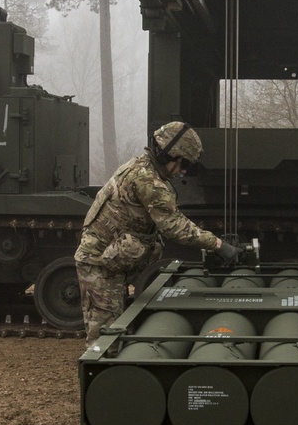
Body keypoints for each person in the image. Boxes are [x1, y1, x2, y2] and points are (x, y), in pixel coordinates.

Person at [75, 121, 243, 347]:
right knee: (105, 342)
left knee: (120, 328)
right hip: (99, 265)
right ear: (167, 155)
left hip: (112, 260)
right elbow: (175, 227)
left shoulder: (143, 168)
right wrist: (218, 244)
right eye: (183, 164)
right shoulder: (148, 180)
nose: (183, 172)